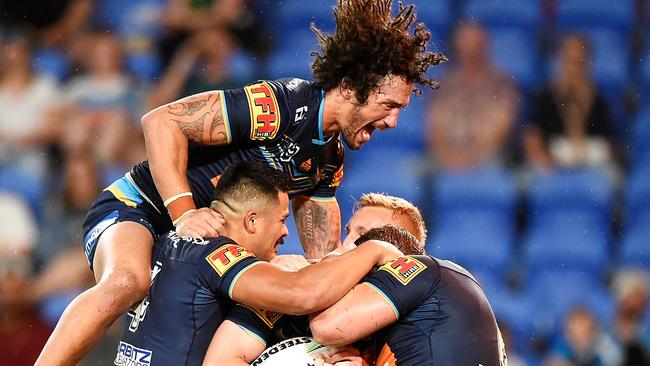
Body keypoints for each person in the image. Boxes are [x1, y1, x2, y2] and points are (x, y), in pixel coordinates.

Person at [37, 0, 445, 363]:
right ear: (350, 87)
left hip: (198, 246)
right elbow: (160, 121)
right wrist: (183, 213)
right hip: (138, 208)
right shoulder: (281, 105)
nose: (393, 121)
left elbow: (321, 264)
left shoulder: (328, 159)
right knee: (128, 281)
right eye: (389, 105)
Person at [113, 161, 400, 365]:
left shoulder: (168, 242)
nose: (286, 233)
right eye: (282, 220)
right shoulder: (216, 255)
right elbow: (302, 294)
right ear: (252, 220)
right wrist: (373, 249)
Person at [205, 193, 500, 366]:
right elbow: (222, 358)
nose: (345, 246)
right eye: (349, 232)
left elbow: (327, 328)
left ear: (396, 250)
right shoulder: (384, 328)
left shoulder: (433, 274)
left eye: (364, 236)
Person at [426, 21, 519, 172]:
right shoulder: (445, 83)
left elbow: (501, 129)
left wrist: (471, 158)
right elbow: (435, 128)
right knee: (415, 171)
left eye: (476, 44)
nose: (471, 50)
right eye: (466, 44)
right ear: (457, 47)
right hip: (447, 157)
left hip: (487, 157)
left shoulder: (501, 82)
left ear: (485, 46)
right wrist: (451, 157)